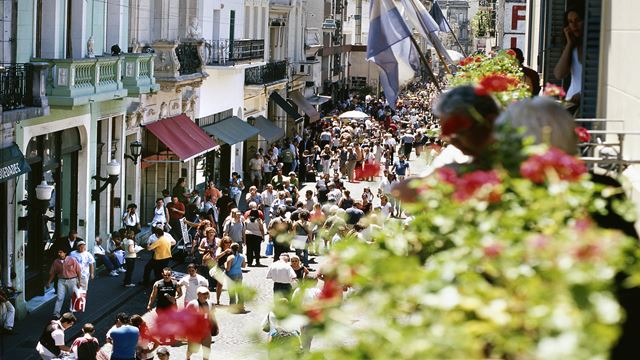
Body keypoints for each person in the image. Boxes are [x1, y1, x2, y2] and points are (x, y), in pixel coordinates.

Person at [553, 7, 584, 110]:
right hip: (571, 104)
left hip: (587, 102)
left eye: (578, 20)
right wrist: (569, 44)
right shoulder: (572, 49)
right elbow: (559, 74)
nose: (574, 25)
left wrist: (582, 94)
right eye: (570, 22)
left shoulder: (596, 49)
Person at [185, 287, 218, 360]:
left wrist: (215, 326)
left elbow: (212, 315)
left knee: (207, 350)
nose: (206, 295)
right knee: (192, 350)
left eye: (207, 293)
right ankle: (187, 357)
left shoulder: (211, 303)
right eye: (203, 294)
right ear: (198, 294)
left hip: (206, 331)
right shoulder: (192, 304)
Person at [47, 248, 82, 318]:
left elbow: (78, 271)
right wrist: (49, 282)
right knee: (59, 297)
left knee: (72, 297)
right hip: (61, 281)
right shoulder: (56, 262)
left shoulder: (72, 260)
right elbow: (53, 273)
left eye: (61, 252)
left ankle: (71, 313)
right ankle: (56, 314)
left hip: (72, 280)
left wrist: (79, 281)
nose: (59, 254)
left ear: (65, 253)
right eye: (58, 252)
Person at [224, 243, 247, 312]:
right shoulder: (242, 256)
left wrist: (225, 264)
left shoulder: (230, 257)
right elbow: (243, 266)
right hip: (239, 274)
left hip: (231, 275)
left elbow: (227, 268)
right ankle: (241, 306)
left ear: (231, 248)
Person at [213, 237, 233, 305]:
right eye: (226, 242)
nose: (228, 244)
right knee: (219, 285)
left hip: (230, 268)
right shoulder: (220, 248)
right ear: (223, 243)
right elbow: (217, 256)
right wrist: (225, 252)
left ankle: (232, 301)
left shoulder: (232, 248)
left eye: (229, 242)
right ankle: (218, 300)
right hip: (221, 268)